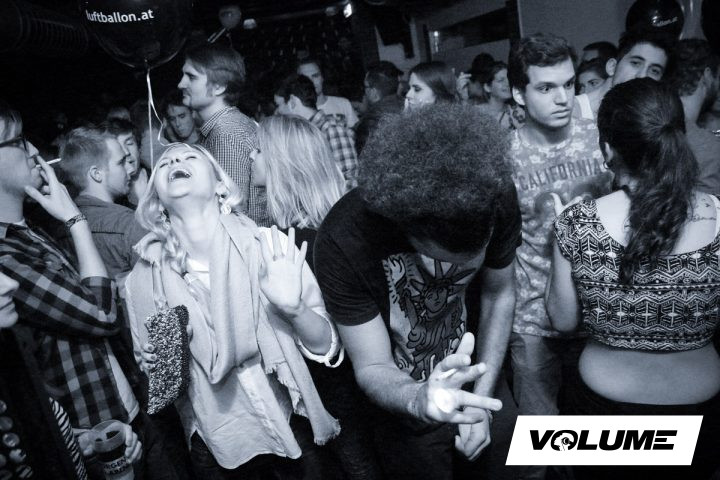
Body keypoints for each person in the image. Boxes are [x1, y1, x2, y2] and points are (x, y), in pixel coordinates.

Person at [314, 103, 519, 480]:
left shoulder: (492, 191)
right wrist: (418, 398)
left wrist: (481, 400)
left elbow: (499, 294)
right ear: (407, 227)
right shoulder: (345, 239)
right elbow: (373, 365)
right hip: (403, 406)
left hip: (482, 375)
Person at [125, 143, 341, 478]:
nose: (176, 159)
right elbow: (160, 379)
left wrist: (295, 309)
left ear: (220, 186)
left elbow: (327, 347)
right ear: (156, 201)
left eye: (190, 157)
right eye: (165, 162)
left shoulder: (268, 247)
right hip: (219, 444)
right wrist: (157, 362)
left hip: (292, 422)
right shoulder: (144, 280)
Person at [548, 78, 720, 480]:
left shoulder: (577, 224)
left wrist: (563, 236)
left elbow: (563, 321)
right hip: (701, 419)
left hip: (603, 415)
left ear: (608, 149)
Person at [0, 101, 178, 479]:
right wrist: (76, 221)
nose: (33, 150)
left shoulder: (30, 234)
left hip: (124, 406)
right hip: (97, 432)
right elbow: (101, 313)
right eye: (17, 142)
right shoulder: (7, 256)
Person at [252, 115, 382, 479]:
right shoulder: (335, 225)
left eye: (259, 150)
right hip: (357, 384)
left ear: (283, 164)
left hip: (334, 387)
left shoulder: (297, 242)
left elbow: (332, 336)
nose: (251, 157)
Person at [506, 32, 611, 480]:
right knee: (538, 452)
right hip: (533, 319)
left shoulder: (601, 137)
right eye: (546, 87)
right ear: (519, 93)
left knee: (607, 446)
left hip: (601, 314)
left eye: (569, 84)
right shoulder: (506, 155)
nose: (563, 97)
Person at [178, 43, 270, 226]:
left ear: (219, 87)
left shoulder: (226, 133)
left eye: (191, 77)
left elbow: (233, 215)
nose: (181, 84)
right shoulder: (225, 126)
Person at [59, 127, 148, 283]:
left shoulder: (62, 225)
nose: (129, 169)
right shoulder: (127, 224)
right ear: (96, 174)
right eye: (121, 163)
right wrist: (146, 205)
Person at [275, 75, 359, 189]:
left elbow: (350, 184)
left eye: (279, 105)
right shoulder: (305, 134)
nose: (277, 112)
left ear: (292, 102)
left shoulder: (331, 131)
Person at [573, 28, 675, 120]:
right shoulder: (573, 113)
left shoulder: (651, 120)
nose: (642, 75)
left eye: (654, 71)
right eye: (635, 63)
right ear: (612, 67)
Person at [666, 39, 720, 196]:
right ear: (707, 76)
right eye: (718, 78)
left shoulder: (648, 118)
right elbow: (709, 209)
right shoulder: (708, 147)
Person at [355, 61, 404, 154]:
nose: (364, 91)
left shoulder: (371, 120)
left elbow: (364, 156)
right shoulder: (409, 106)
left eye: (365, 87)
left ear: (373, 92)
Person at [297, 57, 359, 128]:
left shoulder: (343, 104)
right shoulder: (296, 113)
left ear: (322, 78)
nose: (311, 82)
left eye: (315, 76)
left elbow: (356, 133)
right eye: (305, 79)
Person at [474, 61, 523, 130]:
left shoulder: (516, 111)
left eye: (509, 79)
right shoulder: (476, 112)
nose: (508, 83)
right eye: (501, 80)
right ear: (487, 87)